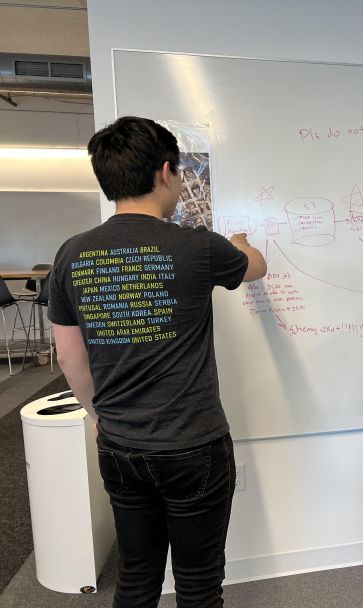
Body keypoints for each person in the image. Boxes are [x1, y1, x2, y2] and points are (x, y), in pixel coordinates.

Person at [49, 116, 267, 608]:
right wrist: (240, 245)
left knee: (136, 576)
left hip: (120, 445)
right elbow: (256, 269)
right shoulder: (196, 246)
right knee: (197, 585)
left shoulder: (71, 254)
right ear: (166, 172)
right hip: (194, 445)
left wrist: (99, 418)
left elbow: (69, 356)